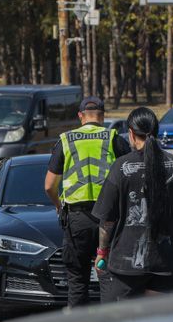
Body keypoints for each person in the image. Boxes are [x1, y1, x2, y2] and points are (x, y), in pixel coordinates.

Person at [93, 107, 173, 300]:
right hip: (167, 262)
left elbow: (107, 219)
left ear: (131, 134)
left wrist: (102, 251)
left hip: (126, 265)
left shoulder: (121, 167)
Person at [44, 96, 130, 307]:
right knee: (108, 277)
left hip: (77, 219)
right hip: (109, 220)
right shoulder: (113, 138)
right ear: (102, 116)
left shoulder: (66, 140)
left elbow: (49, 185)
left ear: (80, 116)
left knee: (77, 280)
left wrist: (58, 204)